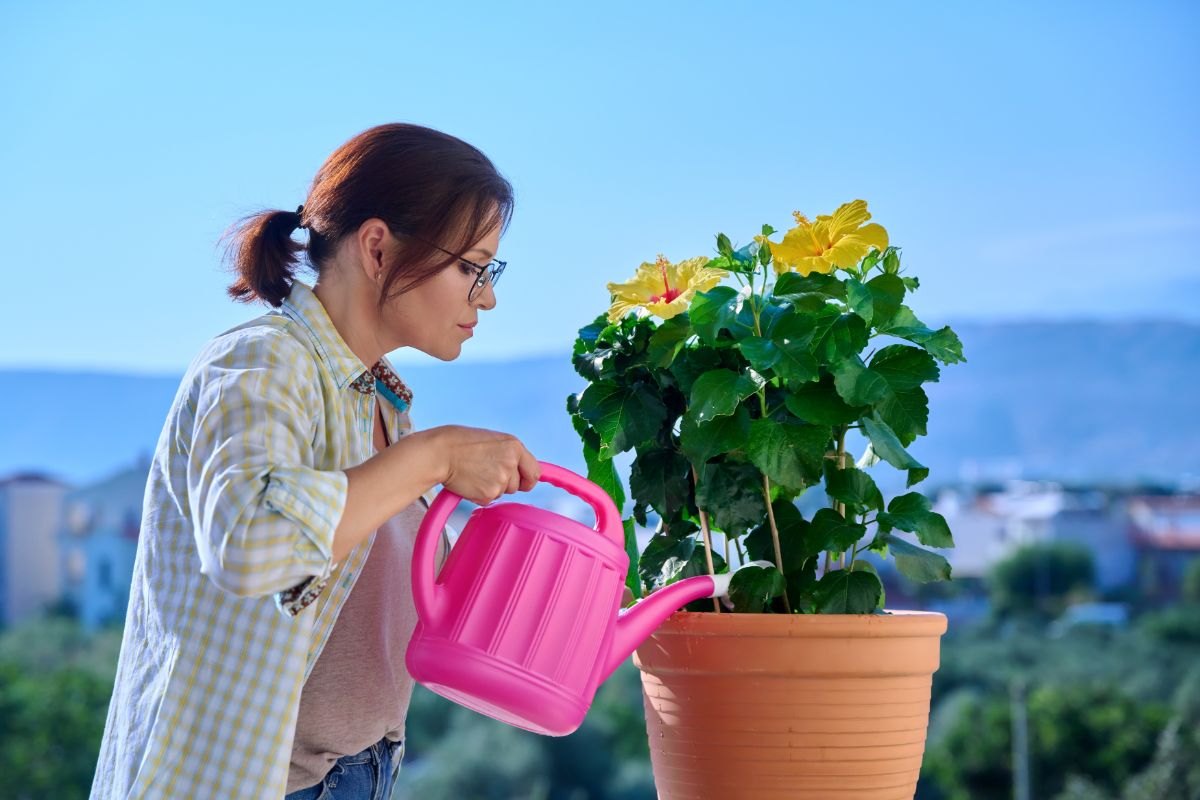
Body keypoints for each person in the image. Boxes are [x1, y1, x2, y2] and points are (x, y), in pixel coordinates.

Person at [89, 122, 542, 800]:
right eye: (471, 268)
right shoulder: (262, 363)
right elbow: (250, 545)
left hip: (363, 774)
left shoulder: (379, 401)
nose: (488, 296)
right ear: (379, 247)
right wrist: (435, 456)